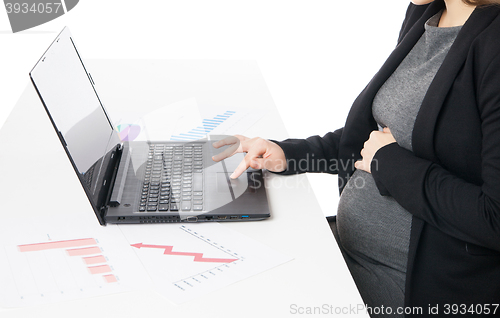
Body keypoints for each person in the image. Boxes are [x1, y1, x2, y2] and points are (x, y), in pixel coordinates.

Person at [212, 0, 500, 316]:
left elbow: (493, 218)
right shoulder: (427, 13)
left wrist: (389, 163)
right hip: (348, 254)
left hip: (412, 289)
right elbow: (385, 133)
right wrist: (289, 154)